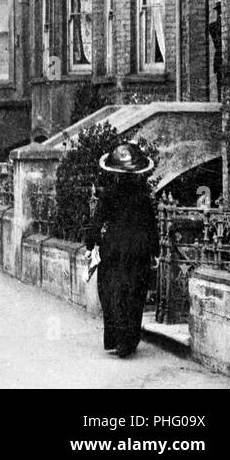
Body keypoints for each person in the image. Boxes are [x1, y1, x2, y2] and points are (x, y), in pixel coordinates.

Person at [84, 141, 158, 358]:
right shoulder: (143, 195)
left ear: (114, 171)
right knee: (135, 294)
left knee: (113, 293)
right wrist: (156, 251)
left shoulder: (108, 194)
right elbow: (151, 225)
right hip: (139, 249)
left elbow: (96, 221)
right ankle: (129, 342)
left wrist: (90, 246)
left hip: (114, 248)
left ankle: (115, 340)